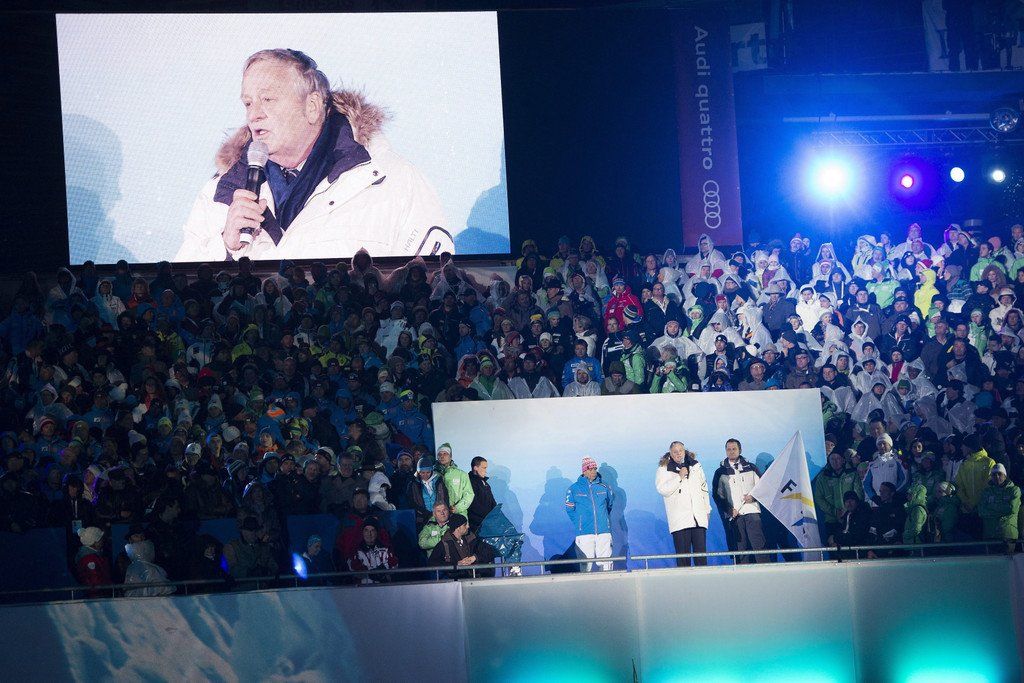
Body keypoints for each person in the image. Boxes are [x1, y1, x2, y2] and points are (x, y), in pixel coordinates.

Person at [175, 48, 450, 262]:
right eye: (248, 103)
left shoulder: (393, 182)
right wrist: (225, 247)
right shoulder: (220, 193)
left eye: (268, 99)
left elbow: (435, 286)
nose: (254, 114)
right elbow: (178, 292)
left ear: (312, 107)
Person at [655, 442, 711, 567]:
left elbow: (704, 488)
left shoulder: (695, 465)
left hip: (698, 518)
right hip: (680, 520)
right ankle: (684, 579)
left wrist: (707, 509)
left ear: (684, 451)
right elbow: (662, 489)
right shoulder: (663, 469)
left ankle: (703, 578)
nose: (678, 453)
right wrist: (679, 477)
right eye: (675, 452)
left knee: (701, 557)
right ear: (670, 453)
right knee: (683, 559)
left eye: (680, 450)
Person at [712, 439, 767, 563]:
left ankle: (765, 570)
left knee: (759, 544)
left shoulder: (751, 468)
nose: (731, 451)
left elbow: (762, 488)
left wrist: (753, 497)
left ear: (740, 450)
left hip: (752, 511)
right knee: (740, 548)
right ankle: (742, 573)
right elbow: (717, 495)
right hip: (734, 514)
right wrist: (729, 510)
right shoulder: (720, 472)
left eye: (734, 449)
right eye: (728, 449)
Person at [564, 457, 615, 571]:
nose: (594, 471)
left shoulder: (604, 487)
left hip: (603, 531)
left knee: (606, 564)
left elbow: (609, 505)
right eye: (590, 469)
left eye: (595, 469)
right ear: (584, 471)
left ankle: (608, 582)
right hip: (584, 533)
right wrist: (580, 523)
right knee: (586, 565)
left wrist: (604, 520)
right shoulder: (573, 489)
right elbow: (570, 510)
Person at [428, 513, 496, 578]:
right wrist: (457, 564)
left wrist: (474, 557)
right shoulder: (443, 545)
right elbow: (432, 563)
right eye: (465, 525)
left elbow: (489, 551)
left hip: (477, 578)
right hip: (456, 581)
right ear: (458, 528)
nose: (468, 526)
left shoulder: (471, 539)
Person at [977, 464, 1020, 546]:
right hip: (990, 533)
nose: (997, 476)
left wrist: (991, 507)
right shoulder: (986, 492)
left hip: (1007, 534)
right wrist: (1001, 509)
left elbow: (1011, 509)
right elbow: (981, 511)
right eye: (994, 474)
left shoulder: (1014, 490)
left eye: (999, 474)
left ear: (1005, 475)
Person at [346, 518, 398, 584]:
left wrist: (383, 571)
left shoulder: (386, 549)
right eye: (366, 530)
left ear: (377, 532)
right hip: (363, 587)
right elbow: (353, 569)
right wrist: (370, 574)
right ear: (362, 532)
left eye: (372, 530)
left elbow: (394, 565)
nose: (369, 534)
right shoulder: (356, 551)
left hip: (384, 587)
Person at [435, 443, 474, 517]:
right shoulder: (433, 474)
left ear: (450, 456)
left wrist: (457, 508)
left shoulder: (461, 474)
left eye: (445, 454)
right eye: (439, 454)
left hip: (458, 515)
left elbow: (469, 494)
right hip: (439, 517)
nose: (442, 456)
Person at [74, 526, 112, 597]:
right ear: (95, 542)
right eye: (100, 539)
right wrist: (105, 589)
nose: (103, 541)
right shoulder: (90, 559)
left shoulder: (94, 556)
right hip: (97, 596)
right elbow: (94, 580)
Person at [467, 456, 497, 532]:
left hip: (488, 524)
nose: (486, 471)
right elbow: (474, 506)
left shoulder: (485, 483)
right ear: (475, 468)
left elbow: (492, 502)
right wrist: (488, 520)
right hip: (477, 526)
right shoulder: (469, 483)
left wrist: (495, 514)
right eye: (484, 468)